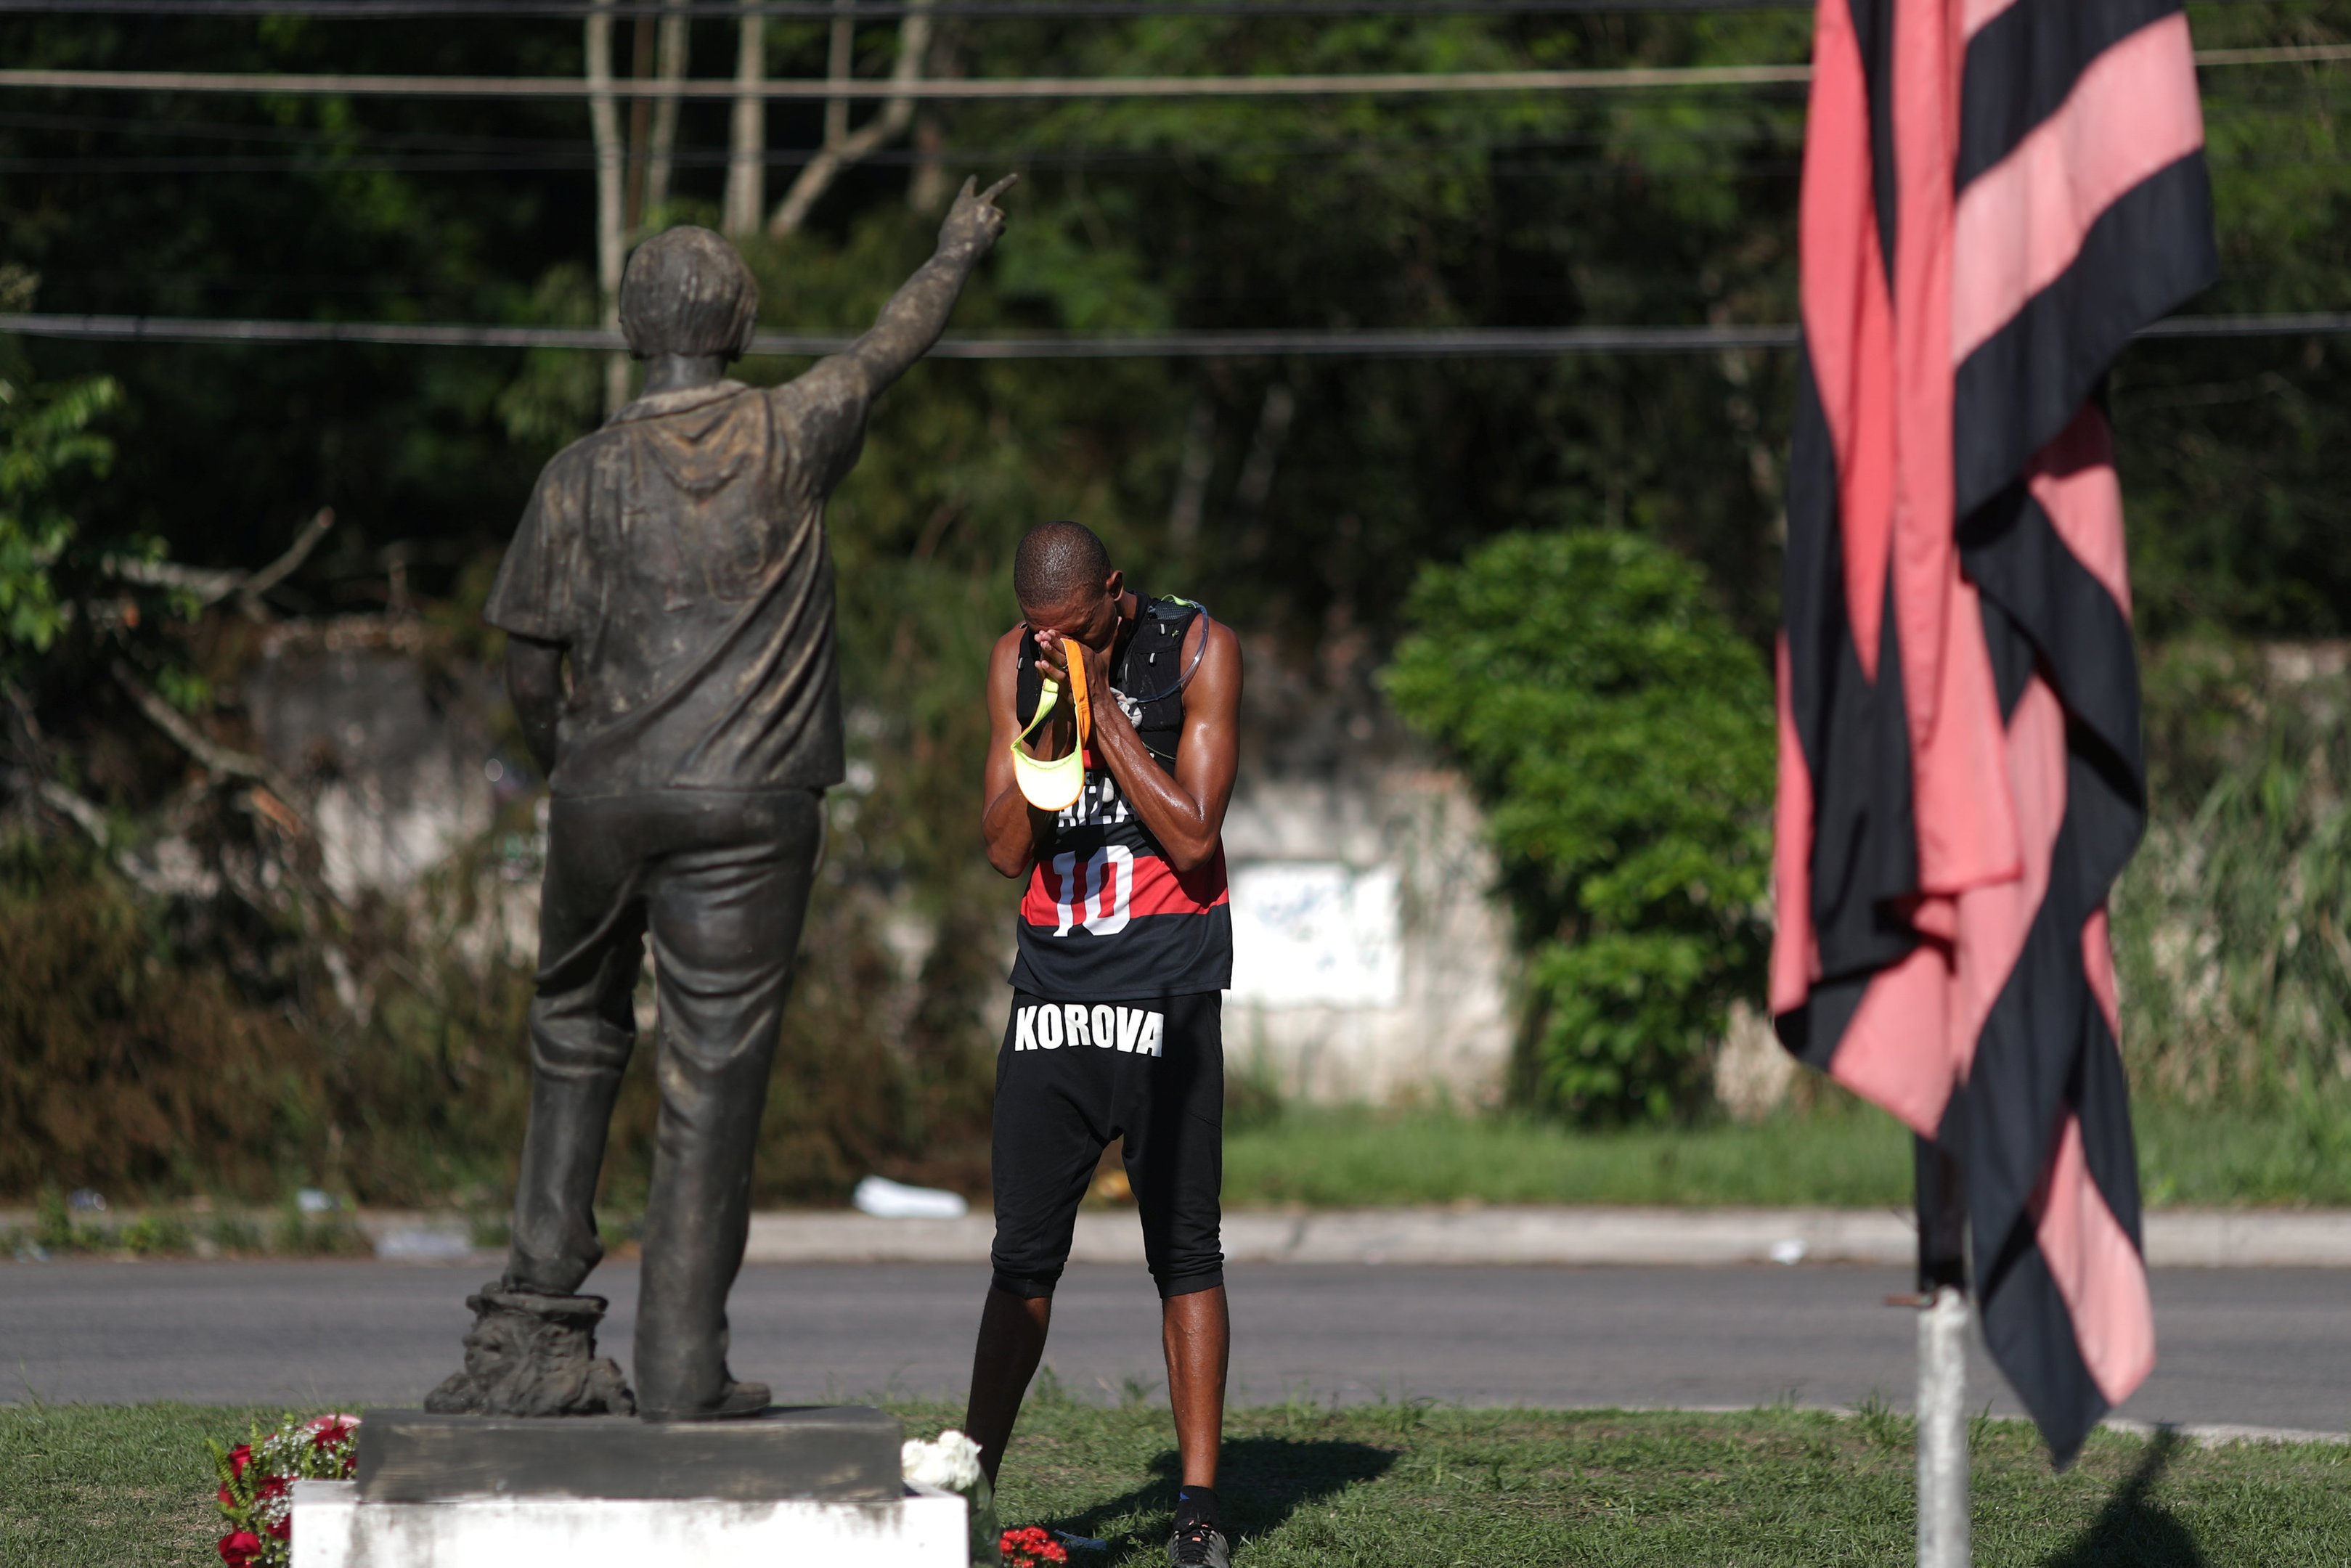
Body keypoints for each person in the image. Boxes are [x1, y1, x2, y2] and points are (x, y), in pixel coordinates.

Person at [455, 179, 1014, 1423]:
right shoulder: (787, 429)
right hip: (752, 803)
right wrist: (955, 250)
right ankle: (679, 1365)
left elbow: (527, 660)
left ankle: (534, 1327)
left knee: (571, 1028)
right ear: (743, 324)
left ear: (628, 327)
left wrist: (576, 763)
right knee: (711, 1078)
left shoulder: (576, 475)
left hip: (602, 795)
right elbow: (890, 344)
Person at [963, 520, 1244, 1567]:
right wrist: (1050, 721)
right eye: (1039, 633)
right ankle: (968, 1486)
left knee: (1184, 1253)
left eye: (1070, 631)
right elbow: (1001, 850)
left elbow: (1192, 832)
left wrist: (1105, 717)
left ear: (1114, 597)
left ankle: (1200, 1508)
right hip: (1055, 994)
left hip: (1167, 991)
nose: (1050, 647)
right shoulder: (1016, 661)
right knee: (1021, 1258)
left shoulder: (1199, 650)